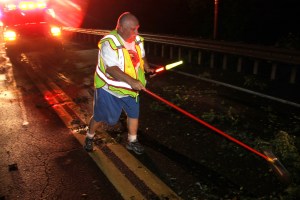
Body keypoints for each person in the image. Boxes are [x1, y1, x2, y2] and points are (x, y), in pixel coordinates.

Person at [84, 12, 154, 155]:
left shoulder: (138, 40)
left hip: (130, 89)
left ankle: (132, 141)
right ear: (121, 28)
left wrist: (147, 68)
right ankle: (90, 136)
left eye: (137, 28)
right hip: (109, 89)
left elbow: (142, 56)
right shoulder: (109, 43)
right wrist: (132, 81)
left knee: (134, 114)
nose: (137, 32)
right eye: (133, 29)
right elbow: (112, 69)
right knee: (100, 117)